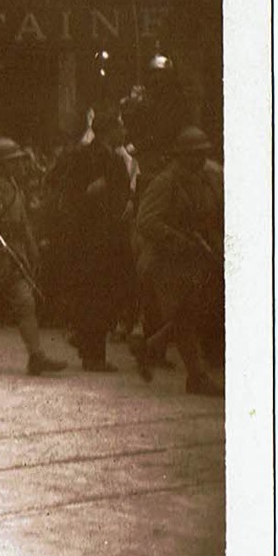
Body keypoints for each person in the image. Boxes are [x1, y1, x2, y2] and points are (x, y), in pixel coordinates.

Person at [0, 138, 67, 376]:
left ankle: (36, 356)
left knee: (26, 303)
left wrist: (32, 248)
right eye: (13, 162)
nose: (19, 166)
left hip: (12, 257)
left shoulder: (15, 188)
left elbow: (23, 223)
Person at [132, 126, 224, 396]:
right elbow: (145, 220)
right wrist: (175, 238)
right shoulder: (166, 182)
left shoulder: (208, 180)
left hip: (197, 258)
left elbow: (213, 215)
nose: (200, 159)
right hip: (166, 261)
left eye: (203, 153)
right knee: (184, 316)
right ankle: (197, 376)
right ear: (181, 156)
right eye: (194, 154)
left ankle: (148, 348)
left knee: (196, 311)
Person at [49, 105, 134, 371]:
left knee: (100, 294)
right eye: (119, 126)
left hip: (103, 236)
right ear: (109, 130)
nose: (124, 131)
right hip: (92, 237)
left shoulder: (112, 158)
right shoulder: (89, 157)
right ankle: (93, 353)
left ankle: (88, 344)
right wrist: (88, 193)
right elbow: (63, 190)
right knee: (96, 294)